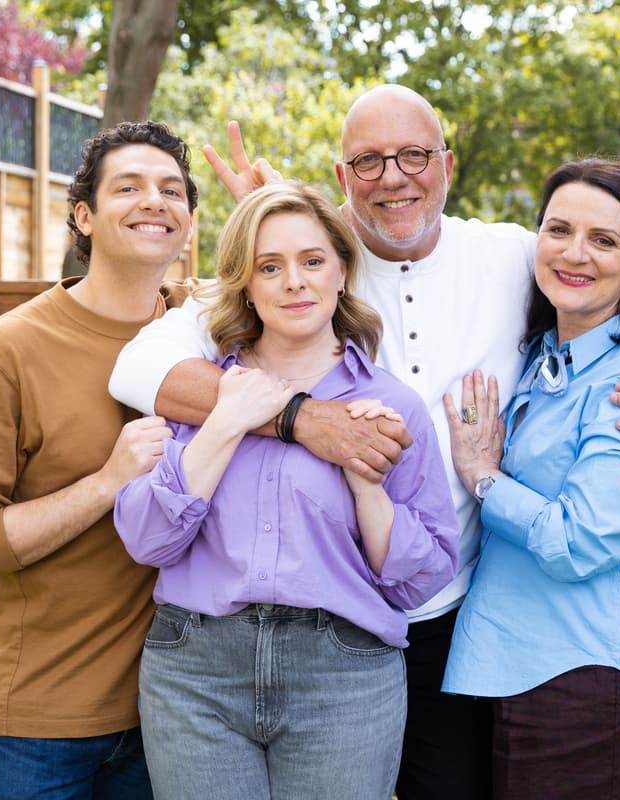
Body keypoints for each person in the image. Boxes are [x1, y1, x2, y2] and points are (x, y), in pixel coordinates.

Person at [107, 85, 620, 799]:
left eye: (414, 156)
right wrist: (299, 417)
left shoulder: (513, 253)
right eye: (368, 161)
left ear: (447, 165)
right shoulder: (307, 264)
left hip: (454, 612)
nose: (393, 177)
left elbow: (606, 295)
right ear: (342, 184)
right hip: (322, 611)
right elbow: (136, 367)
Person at [113, 182, 459, 800]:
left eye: (313, 261)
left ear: (343, 272)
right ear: (245, 282)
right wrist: (225, 419)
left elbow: (419, 579)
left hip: (343, 678)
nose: (294, 282)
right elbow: (147, 540)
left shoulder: (390, 405)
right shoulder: (200, 394)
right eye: (270, 267)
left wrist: (369, 490)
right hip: (197, 672)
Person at [0, 121, 199, 798]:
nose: (154, 201)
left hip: (176, 715)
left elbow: (321, 281)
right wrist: (106, 483)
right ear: (85, 217)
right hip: (41, 730)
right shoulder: (2, 353)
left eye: (171, 190)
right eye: (127, 188)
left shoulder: (203, 331)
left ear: (190, 220)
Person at [440, 159, 620, 800]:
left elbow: (578, 542)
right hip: (513, 667)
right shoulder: (543, 357)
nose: (575, 253)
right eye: (558, 230)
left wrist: (484, 479)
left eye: (604, 240)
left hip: (589, 678)